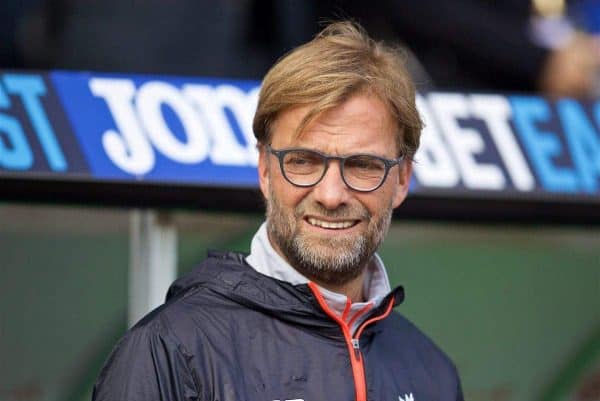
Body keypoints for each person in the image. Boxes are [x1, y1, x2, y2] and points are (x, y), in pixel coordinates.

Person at [92, 21, 463, 401]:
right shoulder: (169, 351)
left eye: (362, 165)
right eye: (303, 161)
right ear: (265, 170)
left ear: (402, 179)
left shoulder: (434, 375)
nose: (331, 195)